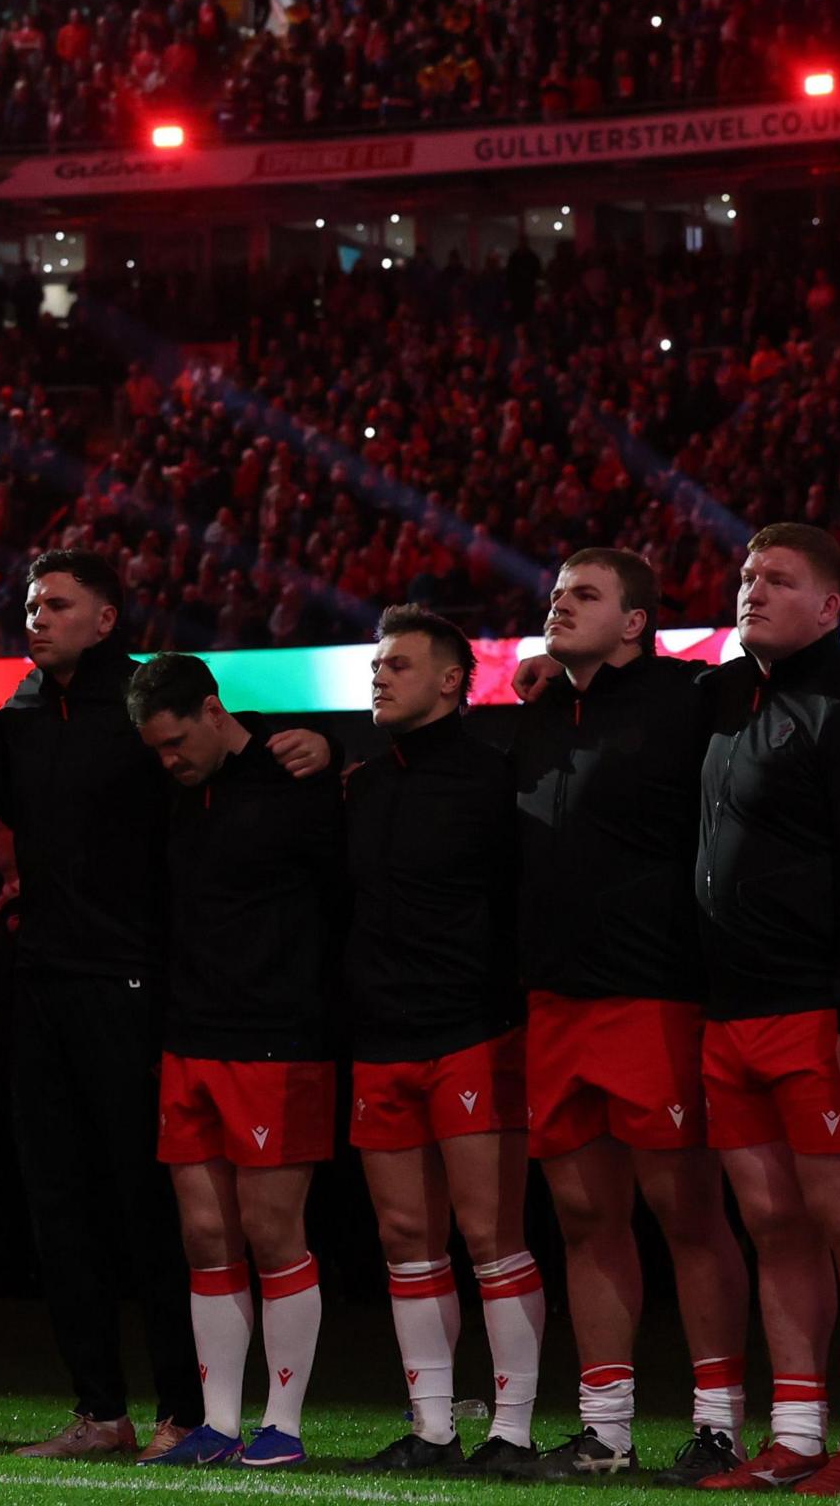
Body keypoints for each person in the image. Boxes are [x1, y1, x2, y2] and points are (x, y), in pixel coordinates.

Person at [511, 550, 756, 1479]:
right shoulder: (535, 718)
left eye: (584, 595)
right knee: (582, 1218)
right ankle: (606, 1431)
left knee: (687, 1214)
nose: (559, 604)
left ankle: (718, 1423)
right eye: (556, 592)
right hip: (555, 1003)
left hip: (656, 996)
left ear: (635, 623)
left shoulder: (691, 698)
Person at [700, 524, 840, 1493]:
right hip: (729, 1007)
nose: (753, 591)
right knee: (772, 1225)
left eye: (779, 581)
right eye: (748, 576)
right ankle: (792, 1433)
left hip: (816, 1009)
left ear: (830, 608)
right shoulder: (722, 696)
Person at [0, 550, 205, 1460]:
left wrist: (293, 744)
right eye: (33, 605)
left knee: (145, 1204)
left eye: (59, 605)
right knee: (57, 1206)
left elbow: (221, 748)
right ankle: (99, 1411)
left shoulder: (143, 708)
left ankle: (184, 1409)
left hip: (130, 984)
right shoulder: (20, 714)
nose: (37, 617)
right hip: (38, 986)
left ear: (107, 620)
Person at [336, 610, 541, 1475]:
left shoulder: (498, 781)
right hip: (382, 1037)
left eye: (400, 665)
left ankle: (514, 1431)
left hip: (471, 1032)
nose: (379, 677)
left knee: (492, 1234)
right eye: (377, 665)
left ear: (454, 680)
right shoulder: (364, 785)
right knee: (403, 1237)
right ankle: (430, 1426)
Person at [134, 653, 339, 1471]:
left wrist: (331, 752)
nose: (169, 760)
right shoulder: (176, 795)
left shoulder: (295, 775)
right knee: (205, 1233)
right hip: (191, 1038)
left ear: (215, 711)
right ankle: (218, 1424)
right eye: (157, 749)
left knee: (271, 1230)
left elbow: (341, 892)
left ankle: (281, 1424)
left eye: (178, 741)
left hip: (278, 1038)